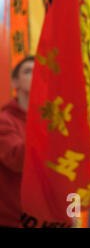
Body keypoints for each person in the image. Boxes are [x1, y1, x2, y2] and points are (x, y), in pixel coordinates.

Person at [0, 56, 34, 227]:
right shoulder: (4, 120)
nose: (35, 76)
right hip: (14, 220)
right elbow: (17, 160)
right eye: (28, 71)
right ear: (15, 83)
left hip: (50, 219)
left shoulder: (54, 121)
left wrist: (71, 211)